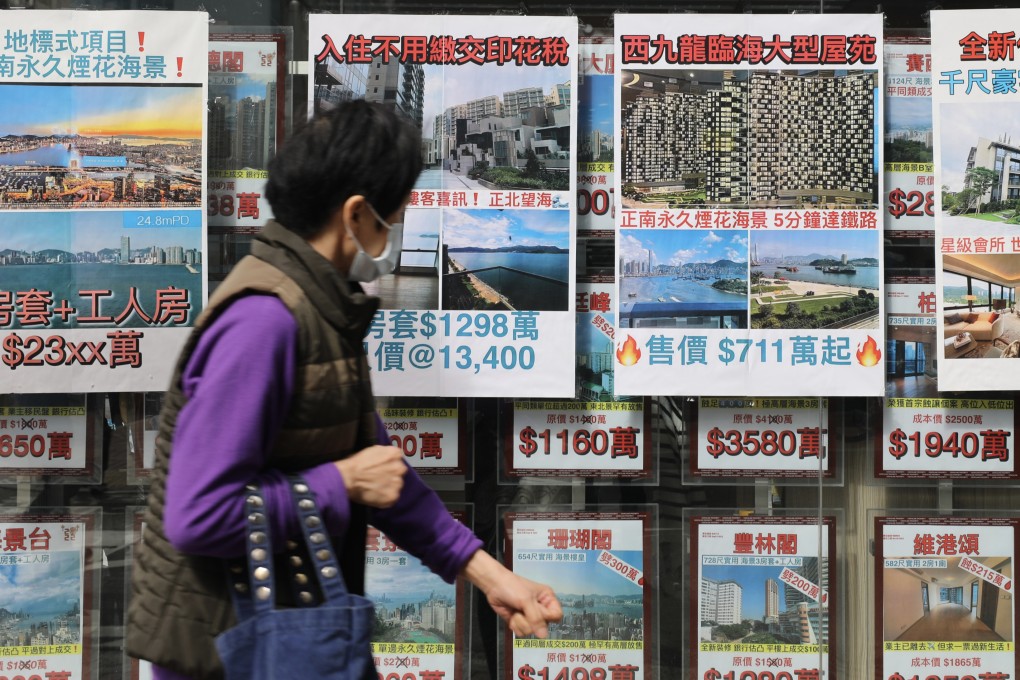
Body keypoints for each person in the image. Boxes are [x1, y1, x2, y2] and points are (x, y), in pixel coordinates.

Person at [126, 100, 562, 679]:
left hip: (289, 633)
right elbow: (197, 515)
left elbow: (384, 477)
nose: (396, 234)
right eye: (396, 216)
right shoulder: (266, 321)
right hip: (231, 652)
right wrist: (338, 483)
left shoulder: (322, 307)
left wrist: (493, 577)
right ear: (357, 215)